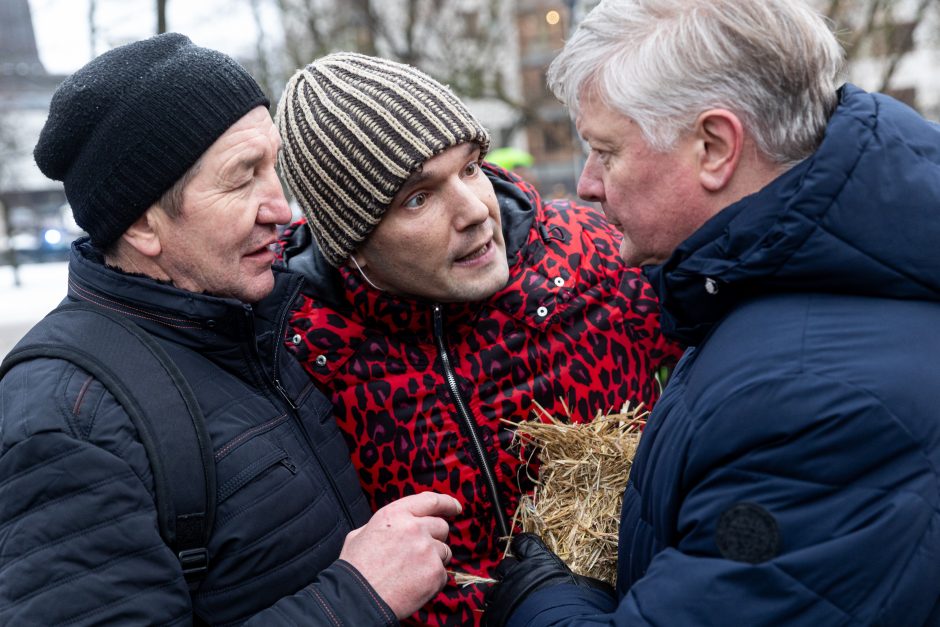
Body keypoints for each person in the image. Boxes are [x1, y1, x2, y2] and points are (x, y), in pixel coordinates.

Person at [482, 0, 940, 625]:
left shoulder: (808, 402)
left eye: (606, 150)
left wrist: (542, 601)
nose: (588, 183)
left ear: (714, 146)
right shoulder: (790, 290)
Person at [0, 33, 462, 625]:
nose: (282, 208)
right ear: (144, 223)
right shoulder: (69, 416)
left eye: (274, 167)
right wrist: (357, 596)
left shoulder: (259, 324)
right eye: (243, 177)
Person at [275, 52, 683, 626]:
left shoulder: (599, 257)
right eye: (418, 197)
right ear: (353, 244)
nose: (474, 210)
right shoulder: (297, 352)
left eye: (469, 168)